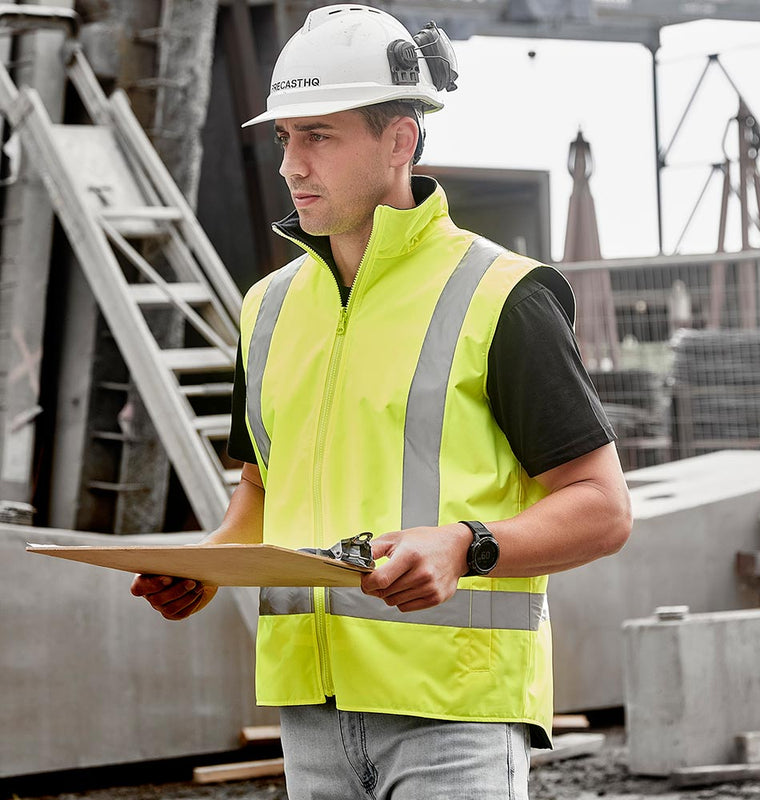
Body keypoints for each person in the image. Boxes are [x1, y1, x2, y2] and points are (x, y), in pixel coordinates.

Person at [131, 5, 632, 798]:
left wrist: (467, 546)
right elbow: (262, 490)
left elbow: (602, 508)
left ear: (399, 140)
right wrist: (208, 563)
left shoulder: (502, 295)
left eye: (319, 136)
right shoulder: (267, 307)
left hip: (453, 710)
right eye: (285, 137)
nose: (293, 165)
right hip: (310, 712)